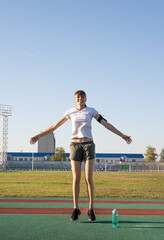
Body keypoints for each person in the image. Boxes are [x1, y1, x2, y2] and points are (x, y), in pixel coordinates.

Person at [30, 90, 132, 221]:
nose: (80, 99)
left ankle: (91, 209)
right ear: (75, 99)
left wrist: (122, 135)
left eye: (82, 97)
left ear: (86, 99)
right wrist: (38, 136)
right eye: (78, 97)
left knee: (88, 179)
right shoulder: (70, 112)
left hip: (88, 145)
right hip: (75, 145)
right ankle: (76, 209)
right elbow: (55, 126)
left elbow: (106, 124)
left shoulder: (91, 111)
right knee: (76, 178)